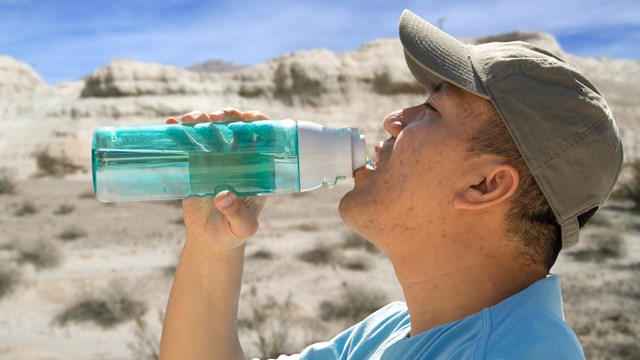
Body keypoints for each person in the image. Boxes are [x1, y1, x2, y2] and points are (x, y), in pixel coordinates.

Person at [159, 9, 623, 360]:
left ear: (484, 185)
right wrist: (211, 245)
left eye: (432, 109)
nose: (393, 119)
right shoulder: (392, 330)